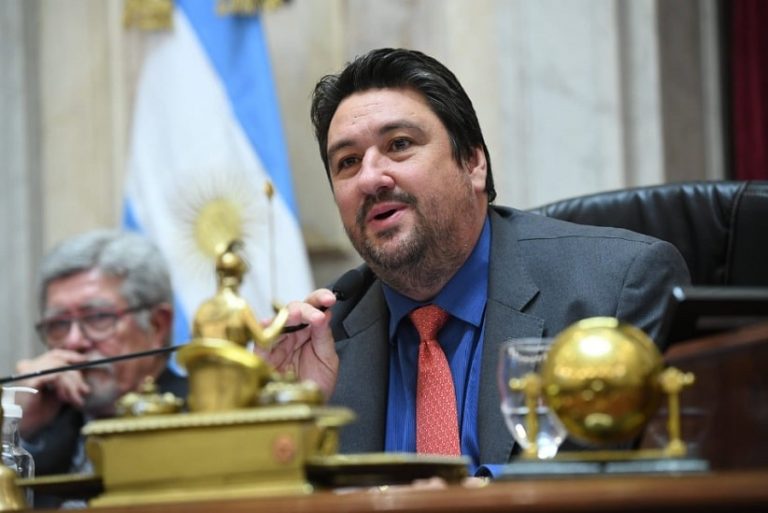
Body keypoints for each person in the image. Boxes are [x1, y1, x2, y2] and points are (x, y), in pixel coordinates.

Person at [267, 48, 690, 469]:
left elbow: (626, 482)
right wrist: (288, 419)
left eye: (399, 145)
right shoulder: (323, 342)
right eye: (348, 162)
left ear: (473, 163)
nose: (370, 178)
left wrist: (477, 494)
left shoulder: (614, 290)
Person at [14, 229, 186, 485]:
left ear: (157, 325)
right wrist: (16, 425)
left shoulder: (203, 418)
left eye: (97, 317)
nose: (73, 341)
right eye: (58, 323)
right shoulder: (38, 431)